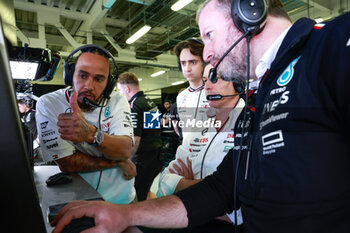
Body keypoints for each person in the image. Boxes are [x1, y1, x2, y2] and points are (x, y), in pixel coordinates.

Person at [52, 1, 350, 233]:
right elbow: (223, 189)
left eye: (209, 35)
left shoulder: (334, 44)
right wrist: (127, 213)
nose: (207, 53)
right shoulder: (258, 101)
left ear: (251, 11)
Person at [36, 45, 137, 204]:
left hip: (124, 199)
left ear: (108, 84)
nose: (89, 86)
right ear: (70, 75)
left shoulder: (118, 100)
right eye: (82, 75)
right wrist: (117, 161)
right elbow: (67, 163)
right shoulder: (49, 103)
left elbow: (124, 150)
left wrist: (91, 134)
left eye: (98, 79)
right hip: (81, 200)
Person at [154, 63, 245, 232]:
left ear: (237, 82)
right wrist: (207, 190)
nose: (207, 86)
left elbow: (243, 195)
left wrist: (186, 185)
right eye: (205, 80)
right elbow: (164, 180)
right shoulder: (198, 126)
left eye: (215, 78)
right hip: (189, 219)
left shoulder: (250, 124)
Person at [117, 72, 163, 201]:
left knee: (137, 195)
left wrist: (128, 159)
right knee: (145, 191)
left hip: (143, 159)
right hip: (156, 155)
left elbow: (136, 138)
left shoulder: (135, 105)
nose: (120, 94)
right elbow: (153, 128)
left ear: (127, 89)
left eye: (120, 90)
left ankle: (141, 220)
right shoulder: (149, 101)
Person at [174, 39, 209, 144]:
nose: (187, 68)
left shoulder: (216, 92)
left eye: (193, 62)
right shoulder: (181, 97)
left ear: (204, 62)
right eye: (183, 63)